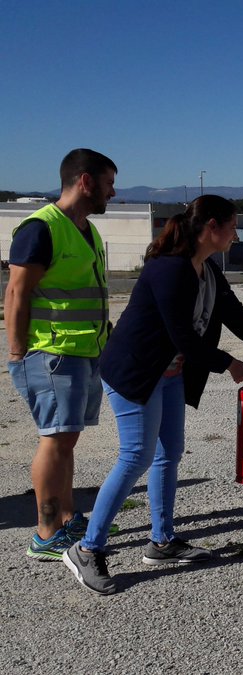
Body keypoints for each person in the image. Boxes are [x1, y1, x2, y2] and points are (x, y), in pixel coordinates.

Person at [62, 194, 243, 594]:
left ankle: (161, 541)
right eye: (231, 226)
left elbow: (238, 317)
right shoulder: (168, 269)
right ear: (210, 227)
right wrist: (231, 365)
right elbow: (180, 335)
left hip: (170, 373)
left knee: (168, 453)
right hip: (135, 371)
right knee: (136, 456)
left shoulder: (208, 270)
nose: (235, 234)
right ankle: (87, 548)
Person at [6, 149, 117, 561]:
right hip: (52, 354)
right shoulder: (41, 228)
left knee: (67, 440)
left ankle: (67, 519)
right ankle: (46, 532)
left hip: (84, 351)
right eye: (108, 183)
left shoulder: (86, 229)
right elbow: (17, 292)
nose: (113, 192)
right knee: (54, 441)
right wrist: (18, 352)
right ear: (85, 181)